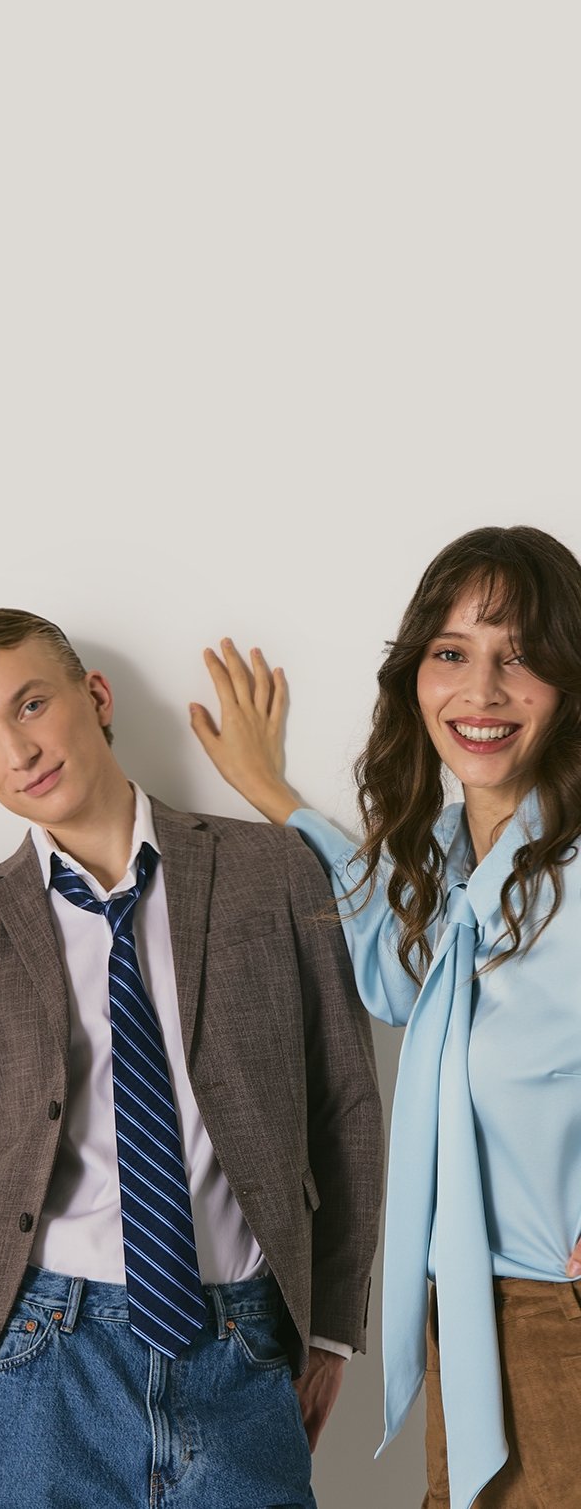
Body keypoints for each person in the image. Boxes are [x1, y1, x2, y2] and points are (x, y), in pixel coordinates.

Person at [0, 607, 384, 1509]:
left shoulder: (273, 874)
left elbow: (346, 1104)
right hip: (33, 1368)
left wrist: (333, 1331)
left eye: (31, 706)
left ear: (94, 697)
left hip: (241, 1351)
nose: (18, 752)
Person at [190, 524, 581, 1509]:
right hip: (463, 1308)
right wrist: (273, 794)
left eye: (521, 657)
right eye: (452, 653)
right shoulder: (445, 873)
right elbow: (393, 971)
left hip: (559, 1306)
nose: (482, 691)